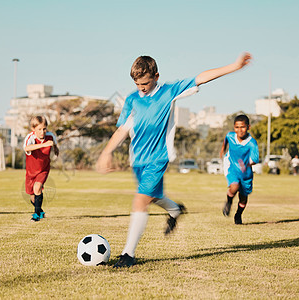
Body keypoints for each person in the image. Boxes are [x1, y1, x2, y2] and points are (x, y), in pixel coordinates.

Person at [96, 52, 252, 268]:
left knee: (141, 199)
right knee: (152, 196)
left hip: (158, 158)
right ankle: (176, 209)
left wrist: (234, 66)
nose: (141, 87)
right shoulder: (132, 100)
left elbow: (201, 78)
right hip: (138, 160)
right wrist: (107, 151)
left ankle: (128, 254)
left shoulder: (169, 91)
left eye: (145, 83)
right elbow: (123, 129)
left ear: (156, 76)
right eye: (137, 83)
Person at [220, 114, 259, 225]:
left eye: (242, 127)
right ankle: (228, 202)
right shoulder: (230, 136)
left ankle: (238, 214)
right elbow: (226, 140)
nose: (240, 130)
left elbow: (255, 159)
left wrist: (246, 163)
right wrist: (222, 149)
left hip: (246, 173)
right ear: (234, 128)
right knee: (234, 186)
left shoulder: (252, 143)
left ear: (248, 127)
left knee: (243, 198)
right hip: (232, 166)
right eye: (237, 127)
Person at [23, 116, 59, 222]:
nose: (42, 132)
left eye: (44, 129)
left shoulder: (50, 136)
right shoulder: (30, 138)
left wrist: (56, 149)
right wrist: (43, 145)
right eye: (39, 129)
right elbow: (26, 148)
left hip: (44, 168)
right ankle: (40, 211)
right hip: (31, 171)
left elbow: (54, 144)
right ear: (33, 129)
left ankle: (36, 215)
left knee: (37, 188)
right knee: (32, 197)